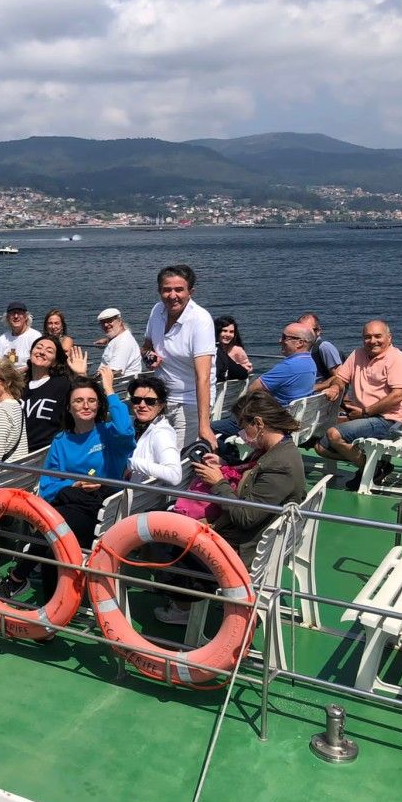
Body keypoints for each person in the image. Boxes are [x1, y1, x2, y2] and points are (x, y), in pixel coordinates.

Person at [155, 391, 307, 624]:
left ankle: (182, 608)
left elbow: (246, 516)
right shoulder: (278, 450)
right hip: (252, 535)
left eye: (243, 426)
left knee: (163, 548)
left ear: (258, 423)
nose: (241, 433)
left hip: (243, 547)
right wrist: (226, 465)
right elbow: (254, 476)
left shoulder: (280, 465)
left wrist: (218, 483)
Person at [0, 368, 135, 603]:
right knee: (53, 543)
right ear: (69, 407)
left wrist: (109, 390)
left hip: (100, 516)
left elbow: (125, 430)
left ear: (99, 406)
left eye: (91, 400)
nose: (86, 405)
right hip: (66, 512)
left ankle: (18, 579)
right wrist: (74, 483)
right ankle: (52, 610)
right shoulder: (61, 441)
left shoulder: (109, 434)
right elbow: (47, 487)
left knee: (52, 533)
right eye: (79, 400)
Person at [314, 319, 402, 491]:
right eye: (367, 337)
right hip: (365, 418)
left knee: (334, 434)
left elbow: (398, 395)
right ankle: (373, 465)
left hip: (389, 421)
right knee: (320, 447)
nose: (372, 341)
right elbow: (340, 378)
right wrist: (335, 388)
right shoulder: (358, 354)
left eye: (378, 336)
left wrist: (365, 412)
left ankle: (372, 469)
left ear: (389, 338)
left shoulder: (398, 359)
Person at [142, 264, 217, 449]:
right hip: (160, 399)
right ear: (159, 291)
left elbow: (204, 376)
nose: (172, 295)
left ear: (191, 292)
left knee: (176, 460)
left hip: (190, 403)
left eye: (179, 290)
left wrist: (204, 425)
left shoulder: (200, 320)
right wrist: (148, 356)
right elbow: (146, 346)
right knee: (154, 452)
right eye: (167, 290)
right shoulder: (157, 311)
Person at [211, 322, 317, 443]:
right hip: (288, 418)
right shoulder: (310, 363)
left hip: (269, 422)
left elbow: (254, 388)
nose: (280, 341)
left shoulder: (289, 366)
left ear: (300, 343)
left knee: (210, 428)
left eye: (284, 338)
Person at [4, 336, 87, 451]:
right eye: (39, 348)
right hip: (12, 452)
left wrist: (81, 375)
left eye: (49, 351)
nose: (42, 352)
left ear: (55, 361)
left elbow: (85, 403)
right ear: (31, 352)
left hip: (44, 452)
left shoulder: (62, 385)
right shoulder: (19, 385)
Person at [125, 375, 183, 512]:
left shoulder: (161, 433)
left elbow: (174, 475)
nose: (142, 405)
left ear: (161, 405)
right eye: (136, 400)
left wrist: (130, 463)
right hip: (130, 496)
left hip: (131, 506)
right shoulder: (133, 424)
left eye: (150, 401)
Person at [0, 301, 41, 371]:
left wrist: (17, 374)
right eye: (13, 313)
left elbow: (38, 362)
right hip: (6, 377)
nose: (16, 316)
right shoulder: (3, 338)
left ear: (26, 317)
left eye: (19, 313)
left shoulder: (35, 336)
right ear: (7, 317)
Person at [96, 308, 142, 376]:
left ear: (120, 321)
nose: (106, 325)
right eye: (103, 322)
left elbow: (114, 373)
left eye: (109, 321)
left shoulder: (124, 343)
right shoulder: (119, 337)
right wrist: (107, 340)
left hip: (119, 385)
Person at [298, 312, 342, 382]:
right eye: (300, 330)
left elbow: (339, 377)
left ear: (318, 331)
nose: (304, 333)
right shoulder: (302, 349)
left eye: (308, 330)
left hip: (322, 391)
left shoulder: (324, 347)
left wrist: (318, 387)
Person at [214, 316, 253, 382]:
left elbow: (248, 368)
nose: (228, 334)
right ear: (217, 331)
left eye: (231, 332)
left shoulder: (236, 350)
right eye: (224, 331)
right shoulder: (212, 348)